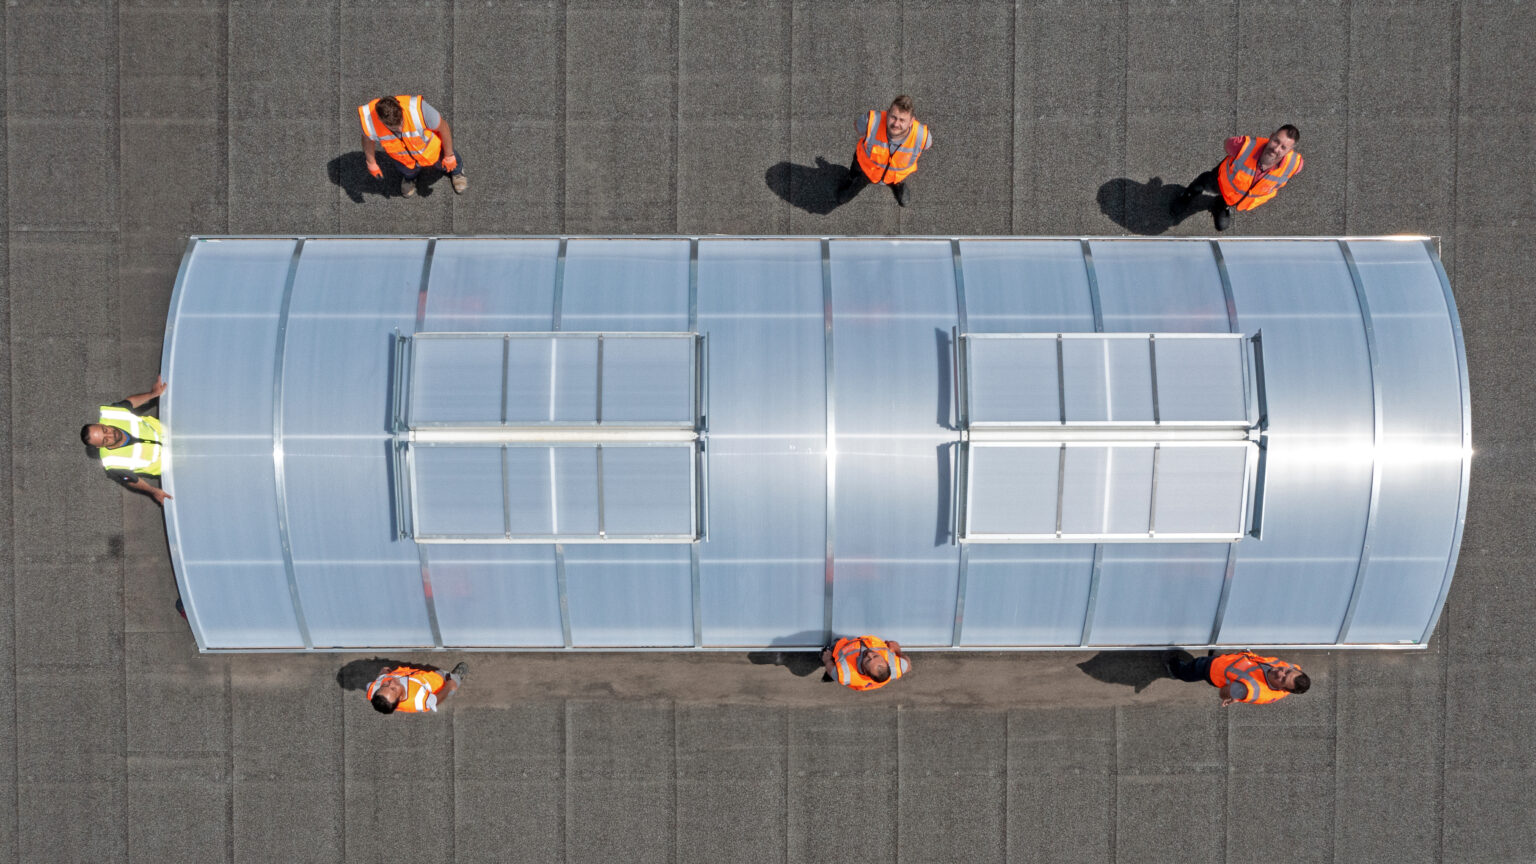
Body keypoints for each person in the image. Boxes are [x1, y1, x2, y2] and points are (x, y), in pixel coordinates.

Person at [1171, 124, 1303, 231]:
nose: (1276, 149)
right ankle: (1188, 195)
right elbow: (1227, 144)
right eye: (1276, 141)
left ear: (1290, 150)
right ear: (1271, 136)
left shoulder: (1295, 165)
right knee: (1205, 182)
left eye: (1283, 147)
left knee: (1222, 226)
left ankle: (1220, 205)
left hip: (1238, 198)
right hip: (1221, 182)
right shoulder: (1243, 146)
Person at [80, 376, 172, 506]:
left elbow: (129, 403)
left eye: (105, 430)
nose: (111, 435)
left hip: (170, 432)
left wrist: (153, 394)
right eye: (106, 440)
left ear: (100, 423)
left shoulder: (111, 414)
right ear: (100, 447)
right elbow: (133, 481)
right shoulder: (112, 464)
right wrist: (153, 491)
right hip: (171, 462)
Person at [358, 94, 467, 197]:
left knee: (449, 161)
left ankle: (457, 172)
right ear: (381, 120)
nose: (400, 130)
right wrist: (371, 163)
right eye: (395, 128)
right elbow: (367, 139)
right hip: (402, 158)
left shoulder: (420, 111)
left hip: (430, 149)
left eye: (401, 123)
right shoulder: (370, 123)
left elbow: (444, 128)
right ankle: (410, 178)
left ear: (400, 108)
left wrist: (449, 155)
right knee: (407, 171)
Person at [835, 95, 933, 207]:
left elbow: (927, 145)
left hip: (895, 176)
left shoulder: (922, 137)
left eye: (902, 120)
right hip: (866, 171)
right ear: (887, 113)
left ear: (911, 122)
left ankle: (897, 185)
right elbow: (858, 127)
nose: (896, 124)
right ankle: (852, 178)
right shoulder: (870, 121)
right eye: (893, 117)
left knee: (900, 192)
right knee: (843, 198)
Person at [1166, 650, 1310, 706]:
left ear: (1282, 689)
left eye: (1283, 679)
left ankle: (1175, 669)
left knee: (1191, 670)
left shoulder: (1252, 689)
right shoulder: (1294, 670)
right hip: (1233, 660)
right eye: (1287, 671)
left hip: (1212, 670)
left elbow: (1222, 693)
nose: (1280, 672)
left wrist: (1234, 693)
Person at [366, 662, 468, 714]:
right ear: (400, 699)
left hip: (415, 675)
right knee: (449, 679)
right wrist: (449, 686)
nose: (391, 681)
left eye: (385, 685)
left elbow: (376, 681)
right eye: (394, 689)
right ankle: (457, 676)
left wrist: (383, 674)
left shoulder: (374, 690)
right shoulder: (418, 700)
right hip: (436, 682)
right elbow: (436, 701)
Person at [821, 635, 910, 691]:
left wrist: (827, 659)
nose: (869, 653)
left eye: (868, 660)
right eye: (876, 656)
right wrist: (898, 650)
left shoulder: (845, 674)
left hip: (843, 645)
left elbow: (831, 670)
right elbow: (908, 666)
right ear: (887, 663)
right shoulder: (896, 667)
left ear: (865, 671)